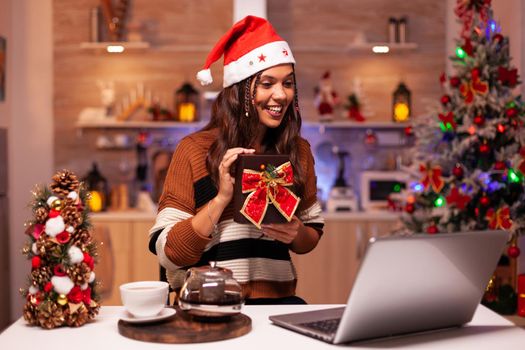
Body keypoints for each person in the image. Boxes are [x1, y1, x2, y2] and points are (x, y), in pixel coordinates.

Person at [148, 16, 324, 305]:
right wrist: (221, 199)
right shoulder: (193, 150)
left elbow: (311, 234)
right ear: (240, 91)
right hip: (208, 306)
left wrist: (295, 232)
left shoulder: (297, 151)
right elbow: (169, 252)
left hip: (276, 305)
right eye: (267, 83)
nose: (280, 95)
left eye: (288, 83)